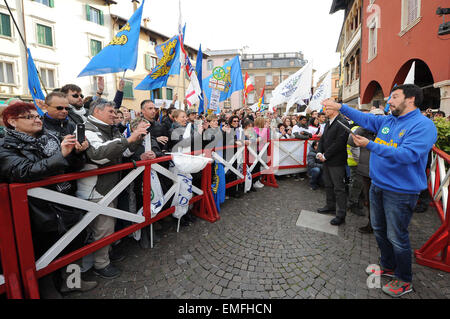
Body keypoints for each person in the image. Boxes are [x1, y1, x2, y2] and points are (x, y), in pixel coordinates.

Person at [321, 84, 437, 298]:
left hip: (401, 192)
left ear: (410, 100)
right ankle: (388, 265)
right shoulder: (389, 120)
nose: (389, 101)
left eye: (394, 97)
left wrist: (370, 145)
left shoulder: (424, 126)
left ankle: (404, 279)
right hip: (378, 185)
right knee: (379, 229)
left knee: (397, 236)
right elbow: (364, 119)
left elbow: (407, 155)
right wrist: (340, 106)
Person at [0, 102, 95, 297]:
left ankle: (72, 283)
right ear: (12, 122)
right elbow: (24, 172)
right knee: (42, 254)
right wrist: (61, 154)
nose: (37, 119)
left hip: (65, 200)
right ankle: (47, 291)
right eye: (29, 117)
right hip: (35, 211)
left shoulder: (50, 138)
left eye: (37, 116)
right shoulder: (5, 147)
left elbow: (72, 167)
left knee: (73, 244)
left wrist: (77, 152)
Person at [76, 100, 147, 280]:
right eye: (111, 111)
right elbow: (98, 155)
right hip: (95, 189)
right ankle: (101, 264)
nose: (115, 115)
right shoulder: (85, 128)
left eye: (115, 112)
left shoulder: (110, 128)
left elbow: (123, 153)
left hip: (109, 187)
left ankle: (105, 254)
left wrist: (136, 141)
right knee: (102, 228)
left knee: (106, 226)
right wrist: (128, 139)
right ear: (97, 111)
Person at [316, 103, 349, 226]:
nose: (325, 110)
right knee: (328, 185)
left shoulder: (342, 122)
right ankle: (330, 206)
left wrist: (326, 155)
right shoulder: (328, 122)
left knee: (339, 188)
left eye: (328, 108)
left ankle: (341, 214)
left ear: (335, 110)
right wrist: (319, 151)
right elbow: (323, 139)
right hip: (327, 160)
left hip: (336, 161)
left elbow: (339, 142)